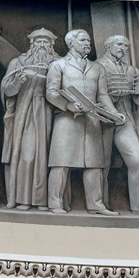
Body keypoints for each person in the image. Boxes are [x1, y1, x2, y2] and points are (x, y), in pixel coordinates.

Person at [45, 29, 125, 215]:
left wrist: (114, 113)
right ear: (71, 43)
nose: (88, 43)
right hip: (66, 120)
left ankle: (96, 204)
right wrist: (68, 105)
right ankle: (55, 204)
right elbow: (51, 92)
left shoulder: (97, 68)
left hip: (91, 120)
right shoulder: (58, 65)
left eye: (89, 40)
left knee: (94, 165)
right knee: (60, 163)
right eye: (83, 40)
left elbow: (103, 95)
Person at [97, 35, 139, 216]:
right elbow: (94, 95)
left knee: (137, 162)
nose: (123, 48)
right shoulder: (96, 66)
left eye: (126, 46)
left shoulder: (131, 70)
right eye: (119, 44)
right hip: (102, 121)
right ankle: (99, 205)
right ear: (108, 45)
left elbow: (137, 99)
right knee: (102, 165)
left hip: (125, 121)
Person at [0, 28, 58, 211]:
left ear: (51, 45)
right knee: (27, 154)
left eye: (46, 42)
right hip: (26, 115)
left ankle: (44, 201)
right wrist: (16, 82)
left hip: (50, 114)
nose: (42, 45)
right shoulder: (18, 62)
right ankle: (22, 198)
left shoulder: (58, 64)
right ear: (32, 44)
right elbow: (7, 91)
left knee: (48, 156)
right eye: (38, 42)